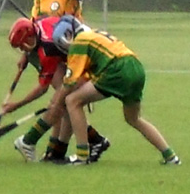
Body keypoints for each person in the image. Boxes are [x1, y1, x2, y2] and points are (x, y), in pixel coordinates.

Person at [51, 15, 181, 165]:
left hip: (117, 69)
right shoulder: (92, 35)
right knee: (134, 118)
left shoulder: (79, 42)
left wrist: (56, 106)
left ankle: (82, 156)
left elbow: (68, 83)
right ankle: (171, 156)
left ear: (68, 35)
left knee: (71, 101)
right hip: (136, 67)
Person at [7, 17, 109, 163]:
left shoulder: (47, 50)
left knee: (60, 103)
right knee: (66, 104)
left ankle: (29, 141)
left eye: (22, 46)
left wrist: (16, 105)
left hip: (85, 61)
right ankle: (57, 152)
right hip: (77, 57)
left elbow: (42, 88)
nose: (22, 49)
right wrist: (27, 55)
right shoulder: (40, 26)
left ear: (30, 37)